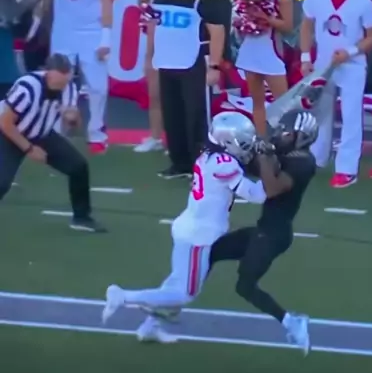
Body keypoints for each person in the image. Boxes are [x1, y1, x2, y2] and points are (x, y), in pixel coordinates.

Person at [102, 111, 267, 340]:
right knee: (185, 293)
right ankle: (123, 297)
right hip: (199, 235)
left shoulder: (210, 156)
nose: (248, 148)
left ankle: (150, 327)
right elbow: (257, 195)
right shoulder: (225, 163)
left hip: (192, 227)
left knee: (175, 282)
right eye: (244, 143)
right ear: (227, 141)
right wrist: (274, 171)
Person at [208, 109, 319, 355]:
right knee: (211, 252)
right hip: (265, 229)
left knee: (244, 286)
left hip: (273, 235)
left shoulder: (303, 163)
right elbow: (254, 166)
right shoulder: (288, 153)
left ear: (302, 137)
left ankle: (292, 322)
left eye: (287, 132)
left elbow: (272, 188)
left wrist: (265, 155)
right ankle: (175, 301)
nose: (281, 135)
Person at [300, 0, 372, 188]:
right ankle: (317, 159)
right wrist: (305, 58)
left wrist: (351, 51)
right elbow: (306, 26)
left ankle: (347, 169)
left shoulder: (363, 1)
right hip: (323, 65)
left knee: (351, 116)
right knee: (320, 114)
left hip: (352, 66)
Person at [0, 54, 105, 232]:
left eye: (64, 82)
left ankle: (81, 218)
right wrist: (29, 149)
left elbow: (75, 124)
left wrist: (72, 118)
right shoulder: (28, 87)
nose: (60, 88)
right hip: (9, 134)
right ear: (47, 73)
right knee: (2, 183)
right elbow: (5, 123)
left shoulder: (69, 88)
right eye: (57, 83)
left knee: (78, 167)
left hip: (42, 133)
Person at [146, 0, 228, 179]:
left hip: (194, 62)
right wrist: (150, 55)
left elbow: (217, 31)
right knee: (172, 114)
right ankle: (179, 163)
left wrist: (214, 66)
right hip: (166, 60)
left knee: (197, 115)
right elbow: (153, 20)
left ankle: (201, 164)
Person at [43, 0, 115, 154]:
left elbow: (106, 1)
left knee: (97, 86)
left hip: (92, 31)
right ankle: (56, 131)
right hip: (63, 30)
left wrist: (106, 38)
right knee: (56, 81)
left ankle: (96, 133)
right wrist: (41, 17)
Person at [234, 0, 293, 136]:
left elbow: (288, 26)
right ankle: (262, 141)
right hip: (250, 52)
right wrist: (241, 22)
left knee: (284, 105)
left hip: (271, 53)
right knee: (257, 102)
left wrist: (265, 18)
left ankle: (288, 142)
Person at [133, 0, 166, 153]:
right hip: (156, 50)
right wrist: (149, 56)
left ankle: (179, 140)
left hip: (179, 49)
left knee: (178, 99)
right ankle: (155, 137)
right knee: (154, 95)